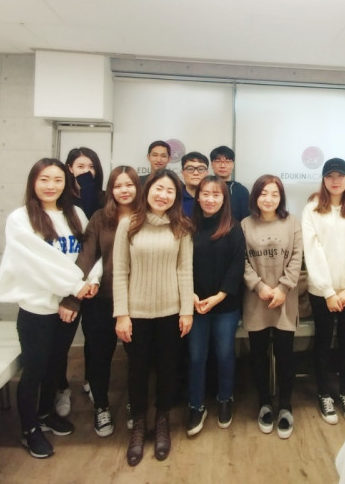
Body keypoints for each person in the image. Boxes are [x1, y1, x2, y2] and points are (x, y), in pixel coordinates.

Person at [0, 158, 93, 459]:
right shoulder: (20, 218)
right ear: (33, 182)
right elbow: (36, 263)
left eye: (58, 180)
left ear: (66, 183)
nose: (51, 186)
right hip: (37, 308)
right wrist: (74, 287)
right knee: (34, 369)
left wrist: (77, 293)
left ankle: (46, 413)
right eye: (44, 179)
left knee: (56, 364)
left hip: (69, 307)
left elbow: (89, 254)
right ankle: (29, 430)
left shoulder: (75, 214)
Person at [113, 169, 194, 466]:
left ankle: (162, 421)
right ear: (147, 191)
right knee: (137, 370)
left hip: (171, 312)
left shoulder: (181, 226)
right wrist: (122, 314)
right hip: (136, 313)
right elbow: (120, 271)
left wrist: (186, 310)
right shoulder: (128, 224)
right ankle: (138, 424)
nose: (163, 195)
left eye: (170, 191)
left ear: (176, 197)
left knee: (168, 369)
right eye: (159, 189)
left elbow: (184, 270)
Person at [60, 166, 141, 437]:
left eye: (129, 184)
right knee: (98, 356)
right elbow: (87, 256)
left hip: (137, 301)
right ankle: (101, 407)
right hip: (101, 299)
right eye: (118, 186)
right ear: (110, 190)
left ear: (138, 187)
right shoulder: (99, 218)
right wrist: (73, 297)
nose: (124, 190)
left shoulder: (147, 217)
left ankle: (136, 404)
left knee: (138, 357)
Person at [302, 158, 345, 426]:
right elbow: (313, 252)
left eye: (340, 176)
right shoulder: (312, 210)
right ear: (323, 179)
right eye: (330, 176)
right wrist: (329, 291)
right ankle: (324, 394)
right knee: (322, 341)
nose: (335, 180)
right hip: (322, 291)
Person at [242, 175, 303, 439]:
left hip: (284, 299)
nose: (269, 199)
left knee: (285, 355)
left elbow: (297, 257)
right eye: (263, 193)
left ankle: (286, 406)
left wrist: (282, 288)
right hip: (256, 299)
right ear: (256, 196)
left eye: (274, 194)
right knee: (258, 355)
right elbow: (242, 261)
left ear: (281, 197)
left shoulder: (292, 222)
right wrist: (259, 287)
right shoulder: (245, 224)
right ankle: (264, 403)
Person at [186, 175, 246, 436]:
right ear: (198, 197)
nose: (210, 199)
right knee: (196, 356)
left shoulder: (234, 228)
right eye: (206, 194)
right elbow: (181, 265)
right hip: (195, 304)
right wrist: (190, 295)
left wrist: (219, 296)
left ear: (224, 199)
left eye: (216, 194)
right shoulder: (187, 227)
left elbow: (237, 267)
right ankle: (195, 405)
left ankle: (225, 398)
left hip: (225, 304)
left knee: (224, 354)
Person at [54, 147, 106, 417]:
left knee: (95, 339)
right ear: (69, 169)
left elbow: (98, 242)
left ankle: (91, 381)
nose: (87, 172)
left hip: (95, 280)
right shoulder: (60, 201)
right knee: (60, 342)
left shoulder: (102, 198)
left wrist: (88, 188)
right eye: (81, 167)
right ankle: (61, 388)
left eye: (92, 167)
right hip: (66, 283)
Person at [210, 145, 249, 221]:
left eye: (227, 162)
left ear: (233, 165)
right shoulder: (205, 187)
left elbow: (246, 219)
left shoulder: (241, 191)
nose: (222, 166)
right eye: (218, 161)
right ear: (212, 164)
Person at [181, 151, 209, 217]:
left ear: (207, 173)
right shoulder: (175, 198)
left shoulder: (213, 199)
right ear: (182, 173)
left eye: (201, 169)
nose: (196, 173)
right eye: (190, 169)